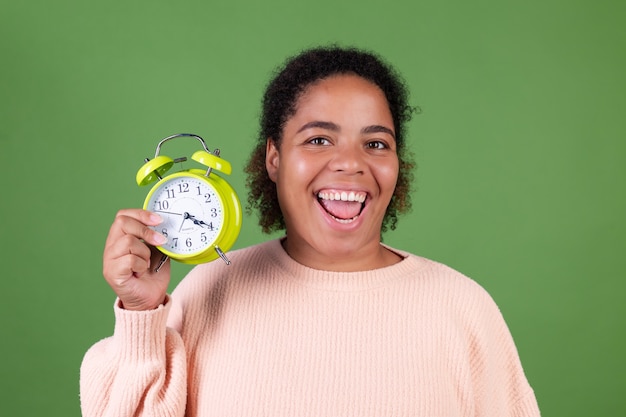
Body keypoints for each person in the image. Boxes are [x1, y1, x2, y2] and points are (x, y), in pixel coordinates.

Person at [80, 46, 541, 416]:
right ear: (274, 158)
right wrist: (142, 314)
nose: (350, 163)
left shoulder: (462, 309)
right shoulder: (210, 290)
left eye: (375, 143)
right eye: (319, 139)